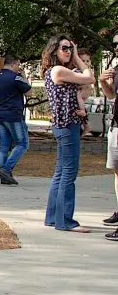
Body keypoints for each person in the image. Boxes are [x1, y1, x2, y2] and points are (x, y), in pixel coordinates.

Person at [42, 35, 95, 233]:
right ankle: (65, 220)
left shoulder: (54, 71)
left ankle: (52, 218)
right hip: (67, 125)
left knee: (60, 172)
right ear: (54, 50)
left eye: (70, 48)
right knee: (68, 173)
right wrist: (80, 60)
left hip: (63, 125)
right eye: (64, 48)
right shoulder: (58, 70)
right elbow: (90, 77)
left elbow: (82, 91)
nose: (68, 51)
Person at [0, 55, 32, 185]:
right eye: (18, 65)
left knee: (3, 145)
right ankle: (6, 170)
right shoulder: (16, 78)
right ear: (13, 64)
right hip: (13, 115)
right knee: (22, 143)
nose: (19, 68)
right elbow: (29, 93)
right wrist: (24, 76)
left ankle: (3, 173)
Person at [100, 32, 118, 238]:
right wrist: (103, 82)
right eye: (115, 44)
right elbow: (112, 96)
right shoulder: (117, 69)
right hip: (116, 126)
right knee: (116, 171)